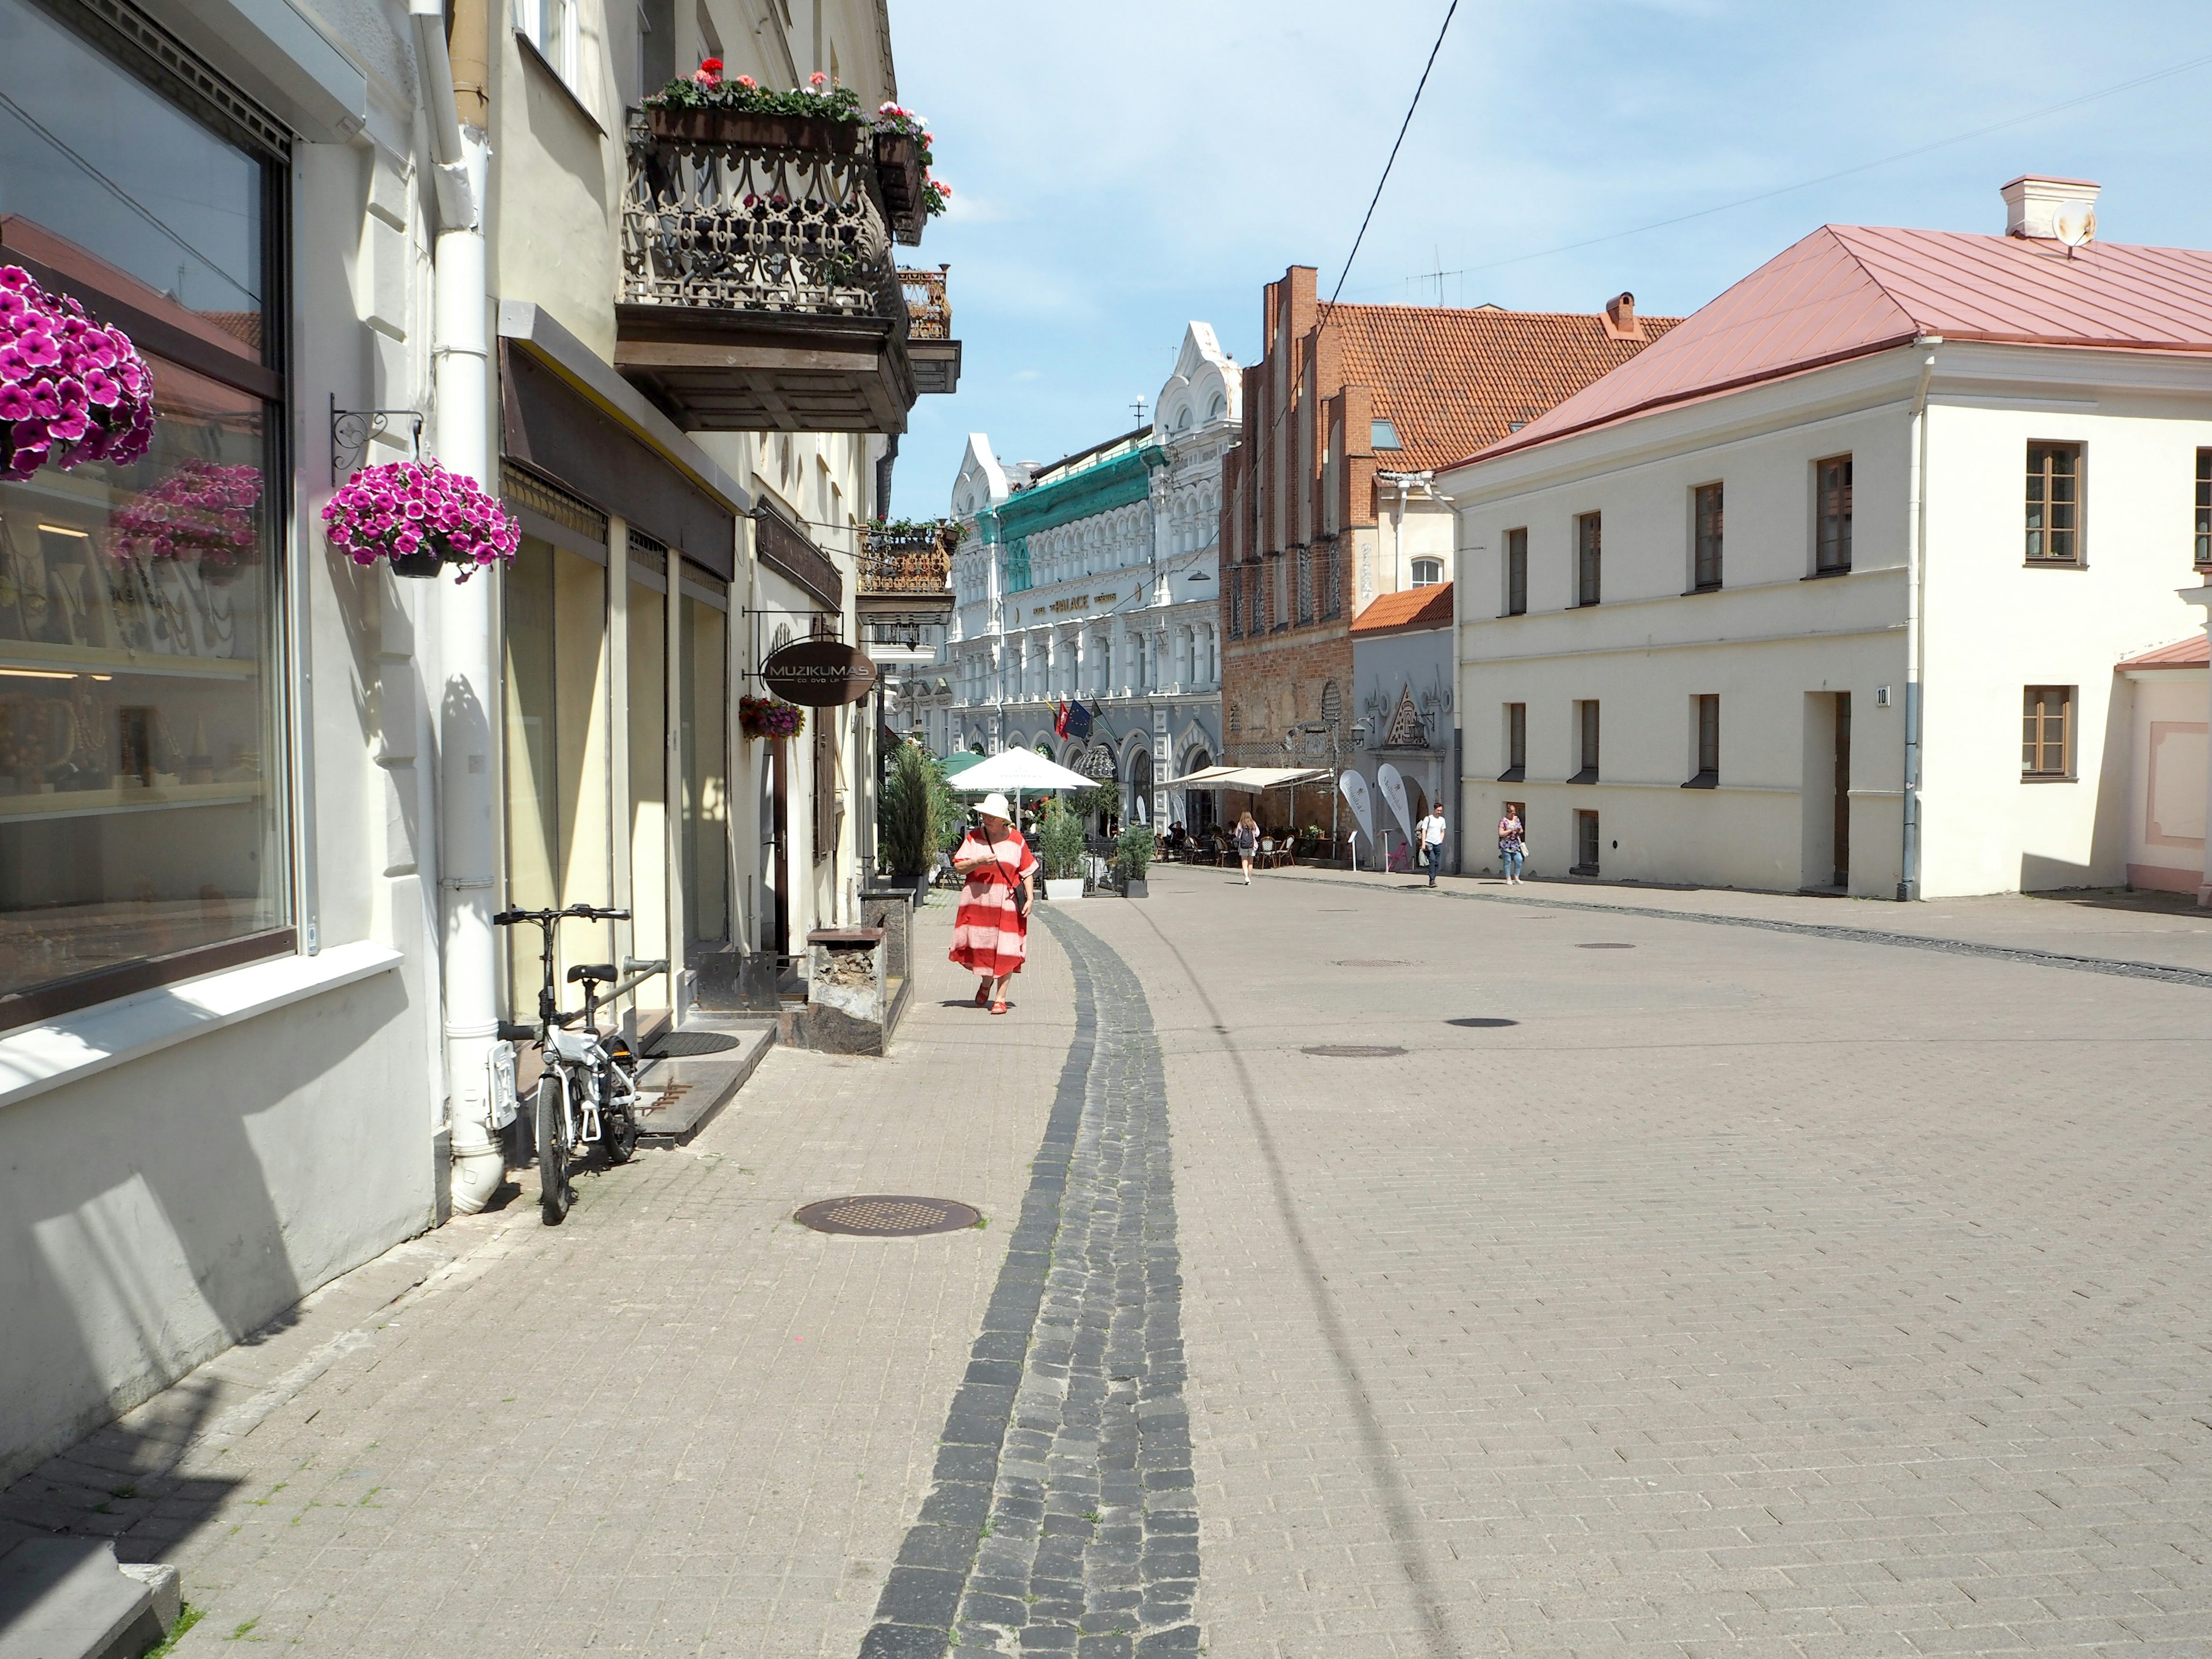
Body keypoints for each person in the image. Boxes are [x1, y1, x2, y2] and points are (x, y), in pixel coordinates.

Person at [948, 792, 1037, 1014]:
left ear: (1003, 819)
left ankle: (1001, 998)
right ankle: (986, 983)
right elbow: (959, 867)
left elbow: (1026, 871)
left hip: (1006, 903)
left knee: (1006, 949)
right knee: (986, 947)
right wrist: (978, 861)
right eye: (984, 815)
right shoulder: (974, 837)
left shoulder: (1016, 839)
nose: (986, 819)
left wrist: (1031, 897)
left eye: (991, 816)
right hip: (979, 904)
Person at [1417, 801, 1449, 887]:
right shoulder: (1428, 819)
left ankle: (1434, 879)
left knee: (1437, 862)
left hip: (1437, 843)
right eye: (1438, 811)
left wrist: (1441, 840)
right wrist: (1424, 843)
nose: (1439, 813)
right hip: (1429, 843)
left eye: (1441, 811)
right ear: (1434, 810)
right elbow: (1424, 830)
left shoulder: (1442, 820)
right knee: (1432, 860)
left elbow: (1443, 831)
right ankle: (1431, 879)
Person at [1498, 805, 1527, 885]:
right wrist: (1511, 830)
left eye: (1514, 813)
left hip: (1515, 844)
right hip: (1506, 844)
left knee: (1519, 859)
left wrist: (1520, 831)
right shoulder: (1503, 821)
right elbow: (1501, 833)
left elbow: (1521, 829)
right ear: (1508, 812)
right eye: (1512, 813)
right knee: (1507, 861)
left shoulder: (1516, 819)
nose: (1513, 815)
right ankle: (1508, 879)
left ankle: (1517, 877)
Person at [1233, 810, 1259, 885]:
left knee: (1244, 862)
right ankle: (1249, 878)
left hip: (1243, 845)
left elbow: (1237, 835)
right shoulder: (1253, 824)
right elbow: (1258, 834)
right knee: (1251, 863)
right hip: (1252, 846)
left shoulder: (1240, 824)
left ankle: (1246, 877)